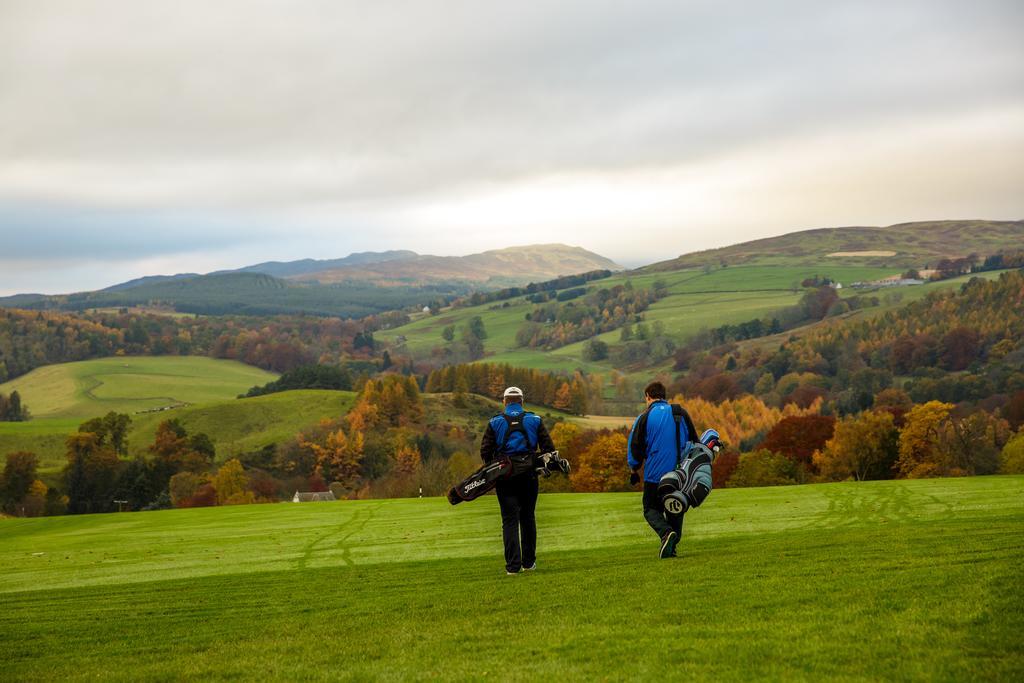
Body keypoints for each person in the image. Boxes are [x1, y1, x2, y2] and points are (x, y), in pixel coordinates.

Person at [480, 386, 556, 574]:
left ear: (504, 402)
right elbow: (549, 449)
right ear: (522, 401)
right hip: (529, 476)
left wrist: (495, 468)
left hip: (505, 477)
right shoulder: (535, 420)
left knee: (509, 521)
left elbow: (485, 452)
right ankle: (529, 563)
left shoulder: (495, 422)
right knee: (528, 518)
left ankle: (513, 567)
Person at [627, 381, 692, 559]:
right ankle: (672, 545)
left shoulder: (645, 417)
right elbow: (694, 441)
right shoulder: (680, 413)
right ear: (664, 396)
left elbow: (635, 447)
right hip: (680, 473)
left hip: (655, 474)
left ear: (648, 396)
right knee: (674, 507)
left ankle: (666, 533)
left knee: (650, 509)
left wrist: (634, 470)